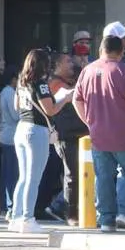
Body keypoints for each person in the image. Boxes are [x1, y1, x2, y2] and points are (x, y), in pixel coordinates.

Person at [72, 34, 125, 233]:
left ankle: (106, 219)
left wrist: (89, 122)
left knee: (103, 175)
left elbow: (76, 100)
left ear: (101, 49)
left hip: (98, 133)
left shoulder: (87, 71)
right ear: (121, 51)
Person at [10, 49, 68, 234]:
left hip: (21, 128)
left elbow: (16, 106)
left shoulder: (21, 83)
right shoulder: (40, 84)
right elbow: (50, 110)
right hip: (36, 130)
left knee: (23, 177)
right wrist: (65, 98)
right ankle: (28, 219)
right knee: (34, 179)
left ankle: (16, 217)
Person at [49, 52, 88, 226]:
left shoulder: (67, 82)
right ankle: (69, 212)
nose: (71, 64)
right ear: (57, 65)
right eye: (67, 62)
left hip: (79, 134)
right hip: (66, 135)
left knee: (78, 174)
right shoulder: (55, 84)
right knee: (71, 174)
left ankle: (73, 210)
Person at [0, 67, 20, 218]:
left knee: (7, 173)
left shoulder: (6, 92)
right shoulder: (9, 92)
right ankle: (9, 206)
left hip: (7, 135)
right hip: (10, 136)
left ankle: (6, 205)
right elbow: (16, 115)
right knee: (11, 174)